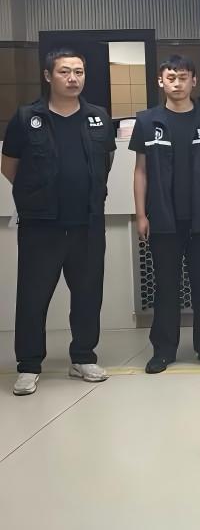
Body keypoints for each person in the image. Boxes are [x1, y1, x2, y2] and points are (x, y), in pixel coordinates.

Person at [2, 49, 115, 396]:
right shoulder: (27, 118)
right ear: (48, 76)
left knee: (87, 294)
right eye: (65, 71)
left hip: (87, 223)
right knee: (33, 297)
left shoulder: (97, 117)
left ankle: (83, 357)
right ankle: (29, 365)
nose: (73, 78)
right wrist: (37, 195)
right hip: (42, 225)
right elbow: (9, 166)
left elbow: (106, 161)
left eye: (79, 72)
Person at [131, 55, 200, 374]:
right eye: (171, 77)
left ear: (194, 81)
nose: (177, 83)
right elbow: (140, 171)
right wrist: (141, 215)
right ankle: (163, 350)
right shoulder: (147, 121)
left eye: (183, 77)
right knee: (165, 286)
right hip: (162, 218)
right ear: (161, 81)